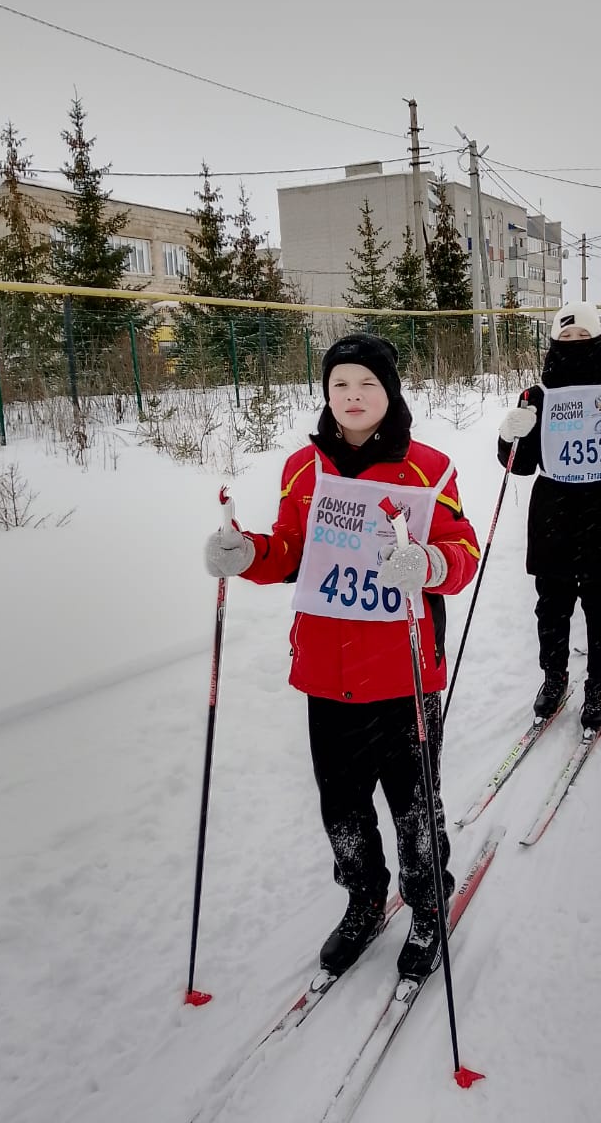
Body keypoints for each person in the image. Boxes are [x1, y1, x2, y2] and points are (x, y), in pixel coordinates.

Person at [204, 334, 480, 982]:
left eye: (366, 385)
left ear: (389, 391)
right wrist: (245, 554)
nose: (352, 398)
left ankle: (426, 902)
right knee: (343, 805)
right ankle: (362, 898)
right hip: (327, 670)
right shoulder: (304, 468)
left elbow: (460, 552)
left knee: (414, 805)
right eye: (339, 386)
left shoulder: (428, 467)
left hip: (403, 670)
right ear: (326, 394)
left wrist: (429, 562)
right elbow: (293, 552)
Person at [497, 302, 601, 732]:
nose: (574, 345)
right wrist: (509, 436)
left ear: (598, 341)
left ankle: (599, 681)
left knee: (599, 602)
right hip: (555, 508)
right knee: (551, 603)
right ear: (555, 343)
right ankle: (554, 676)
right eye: (566, 338)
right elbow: (518, 464)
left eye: (583, 337)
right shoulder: (536, 397)